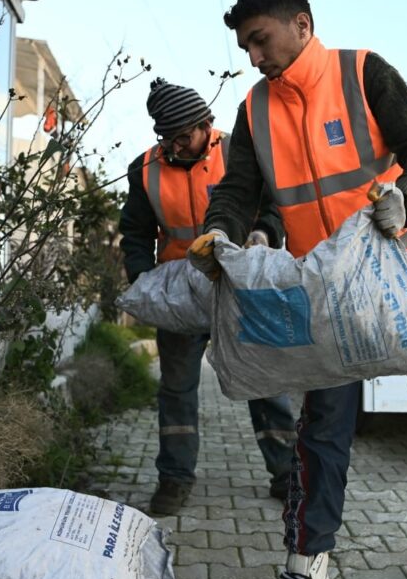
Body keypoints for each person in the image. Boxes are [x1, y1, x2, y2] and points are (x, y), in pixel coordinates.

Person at [185, 0, 407, 579]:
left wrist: (406, 197)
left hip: (399, 263)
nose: (252, 57)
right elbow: (239, 189)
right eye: (244, 46)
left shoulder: (363, 72)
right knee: (322, 424)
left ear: (301, 24)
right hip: (319, 283)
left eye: (259, 40)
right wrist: (219, 230)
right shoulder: (254, 109)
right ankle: (308, 570)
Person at [118, 78, 297, 516]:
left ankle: (287, 475)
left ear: (206, 125)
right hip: (181, 294)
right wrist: (143, 281)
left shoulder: (241, 150)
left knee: (265, 381)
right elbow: (137, 233)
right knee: (177, 388)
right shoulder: (144, 169)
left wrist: (263, 233)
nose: (176, 146)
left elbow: (274, 206)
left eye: (184, 136)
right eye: (168, 138)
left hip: (242, 284)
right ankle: (175, 479)